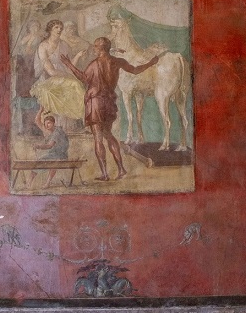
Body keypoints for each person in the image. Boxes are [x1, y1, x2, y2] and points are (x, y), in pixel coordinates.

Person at [60, 37, 159, 181]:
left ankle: (105, 174)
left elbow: (83, 78)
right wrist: (150, 63)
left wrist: (69, 64)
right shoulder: (117, 61)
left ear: (99, 48)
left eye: (95, 46)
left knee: (98, 138)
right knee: (108, 134)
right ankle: (121, 169)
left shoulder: (94, 64)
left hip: (96, 102)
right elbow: (135, 70)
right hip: (109, 102)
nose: (94, 48)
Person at [30, 19, 86, 123]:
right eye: (56, 27)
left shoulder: (64, 45)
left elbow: (69, 66)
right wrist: (68, 75)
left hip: (64, 77)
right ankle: (59, 122)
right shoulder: (43, 46)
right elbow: (51, 71)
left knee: (77, 85)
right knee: (73, 84)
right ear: (50, 29)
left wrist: (78, 56)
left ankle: (81, 119)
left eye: (61, 28)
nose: (59, 29)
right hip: (49, 79)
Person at [34, 106, 69, 188]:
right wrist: (40, 110)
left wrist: (39, 146)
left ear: (54, 123)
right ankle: (29, 183)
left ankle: (47, 183)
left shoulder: (57, 132)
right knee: (38, 162)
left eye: (49, 123)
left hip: (61, 155)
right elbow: (37, 121)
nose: (47, 125)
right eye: (45, 124)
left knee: (52, 162)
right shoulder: (47, 130)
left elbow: (50, 145)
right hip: (52, 154)